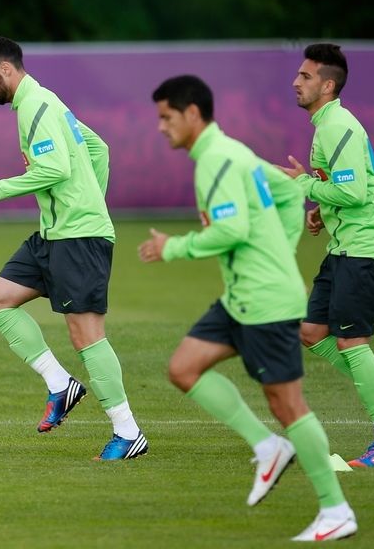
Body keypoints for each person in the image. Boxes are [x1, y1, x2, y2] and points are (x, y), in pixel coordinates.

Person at [140, 75, 356, 541]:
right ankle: (268, 448)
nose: (161, 128)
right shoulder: (231, 151)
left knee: (287, 404)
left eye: (166, 117)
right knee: (183, 369)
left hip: (266, 303)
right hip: (241, 300)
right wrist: (281, 245)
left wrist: (173, 249)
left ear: (192, 114)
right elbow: (288, 192)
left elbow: (231, 230)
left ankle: (336, 510)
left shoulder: (216, 159)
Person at [0, 36, 147, 460]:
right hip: (55, 233)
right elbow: (99, 149)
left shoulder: (35, 107)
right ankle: (60, 383)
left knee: (86, 336)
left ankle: (128, 431)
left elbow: (56, 168)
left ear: (6, 70)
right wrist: (89, 198)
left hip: (77, 237)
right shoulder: (46, 101)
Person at [280, 43, 374, 467]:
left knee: (351, 340)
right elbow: (356, 185)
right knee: (311, 331)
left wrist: (305, 187)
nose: (296, 82)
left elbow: (355, 192)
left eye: (305, 77)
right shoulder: (328, 125)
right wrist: (323, 209)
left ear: (327, 84)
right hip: (345, 249)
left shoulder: (337, 126)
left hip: (365, 250)